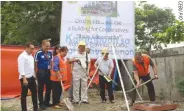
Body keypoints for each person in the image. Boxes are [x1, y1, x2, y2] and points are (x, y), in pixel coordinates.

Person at [18, 42, 38, 111]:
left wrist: (34, 75)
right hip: (25, 78)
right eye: (31, 48)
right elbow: (21, 68)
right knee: (24, 95)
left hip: (32, 77)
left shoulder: (31, 56)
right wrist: (24, 79)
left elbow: (32, 67)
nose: (32, 50)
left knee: (35, 94)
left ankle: (35, 108)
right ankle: (24, 109)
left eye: (33, 48)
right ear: (26, 48)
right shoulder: (22, 56)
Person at [34, 39, 52, 110]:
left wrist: (51, 71)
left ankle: (46, 102)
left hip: (48, 72)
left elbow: (51, 62)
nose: (48, 47)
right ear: (42, 45)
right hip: (41, 72)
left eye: (49, 46)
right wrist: (35, 73)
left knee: (49, 87)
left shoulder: (50, 53)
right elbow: (35, 63)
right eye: (46, 46)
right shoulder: (38, 52)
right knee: (41, 88)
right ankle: (41, 103)